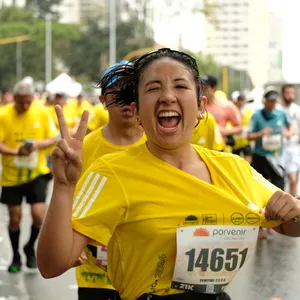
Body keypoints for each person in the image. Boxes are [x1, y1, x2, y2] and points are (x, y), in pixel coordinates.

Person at [37, 49, 300, 300]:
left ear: (200, 106)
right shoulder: (111, 173)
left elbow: (290, 225)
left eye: (180, 86)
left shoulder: (233, 169)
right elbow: (52, 265)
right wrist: (63, 185)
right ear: (137, 110)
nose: (167, 96)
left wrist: (294, 208)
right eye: (153, 88)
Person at [75, 61, 145, 300]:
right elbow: (68, 201)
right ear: (103, 100)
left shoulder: (161, 147)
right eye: (118, 93)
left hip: (145, 266)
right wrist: (68, 242)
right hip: (95, 270)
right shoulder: (84, 148)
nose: (126, 101)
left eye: (132, 92)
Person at [0, 81, 58, 273]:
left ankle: (29, 247)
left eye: (28, 102)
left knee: (38, 215)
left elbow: (53, 138)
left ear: (32, 99)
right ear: (13, 99)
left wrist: (36, 145)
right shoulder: (4, 114)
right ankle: (16, 256)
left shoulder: (41, 112)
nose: (25, 106)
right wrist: (15, 151)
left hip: (36, 173)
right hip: (11, 176)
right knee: (15, 218)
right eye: (20, 103)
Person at [248, 89, 292, 190]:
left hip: (277, 157)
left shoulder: (281, 114)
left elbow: (290, 125)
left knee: (279, 187)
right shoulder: (256, 115)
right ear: (265, 101)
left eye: (274, 101)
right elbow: (248, 136)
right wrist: (261, 133)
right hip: (261, 157)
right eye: (270, 101)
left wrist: (289, 133)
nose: (272, 104)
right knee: (260, 188)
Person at [203, 75, 242, 147]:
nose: (201, 90)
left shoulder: (226, 105)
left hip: (219, 149)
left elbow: (239, 128)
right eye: (199, 87)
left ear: (214, 88)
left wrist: (224, 131)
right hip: (199, 149)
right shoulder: (194, 106)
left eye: (205, 88)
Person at [279, 84, 300, 195]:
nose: (290, 96)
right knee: (280, 180)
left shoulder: (297, 110)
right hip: (279, 150)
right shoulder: (277, 110)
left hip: (293, 149)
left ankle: (294, 202)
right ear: (282, 94)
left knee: (293, 179)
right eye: (287, 93)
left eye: (292, 93)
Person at [231, 94, 253, 163]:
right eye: (240, 101)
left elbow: (250, 123)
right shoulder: (233, 110)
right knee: (236, 160)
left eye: (242, 101)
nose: (241, 103)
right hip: (236, 141)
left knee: (248, 160)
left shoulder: (248, 111)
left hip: (245, 140)